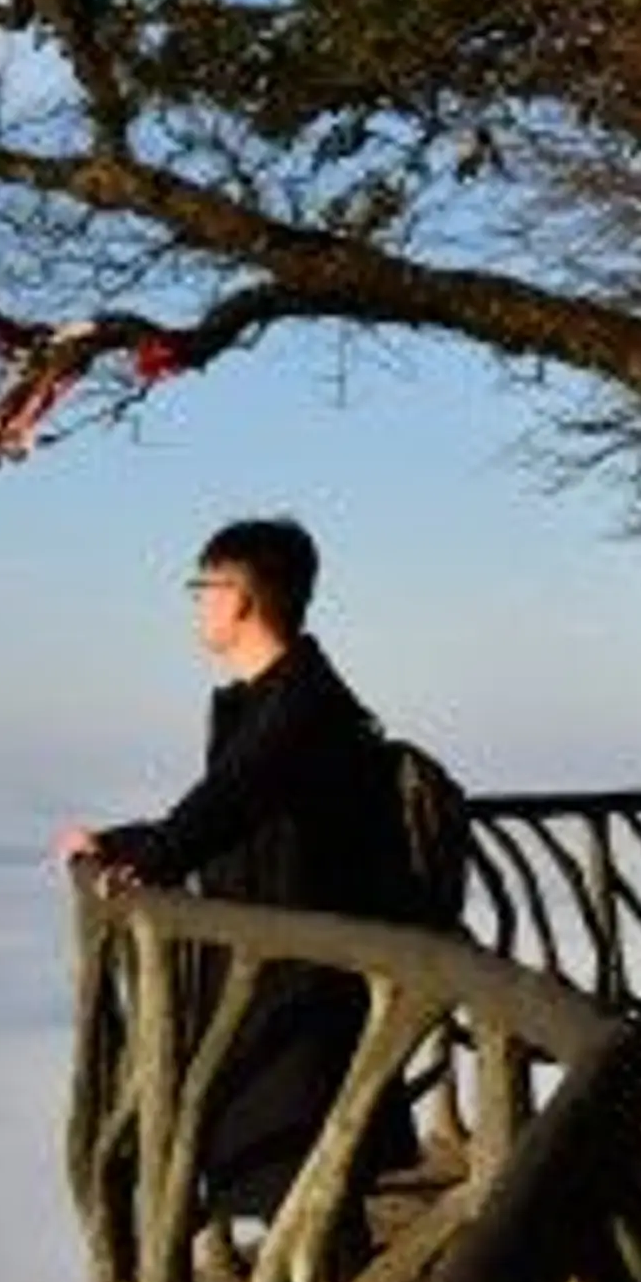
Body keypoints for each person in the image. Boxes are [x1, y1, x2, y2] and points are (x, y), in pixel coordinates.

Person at [56, 515, 419, 1244]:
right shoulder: (281, 696)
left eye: (203, 587)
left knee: (306, 1165)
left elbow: (232, 796)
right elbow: (233, 805)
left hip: (304, 970)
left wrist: (143, 860)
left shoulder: (297, 705)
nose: (196, 604)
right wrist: (128, 842)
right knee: (300, 1166)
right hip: (288, 958)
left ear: (240, 596)